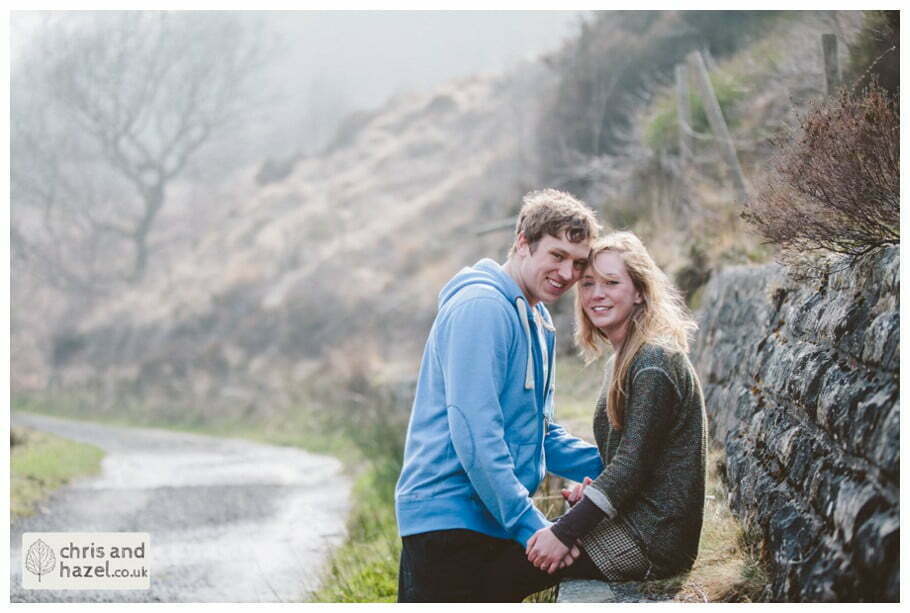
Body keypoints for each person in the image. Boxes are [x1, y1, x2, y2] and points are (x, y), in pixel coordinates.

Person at [394, 189, 605, 602]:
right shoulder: (482, 308)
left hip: (492, 518)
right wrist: (533, 525)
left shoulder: (538, 318)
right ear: (523, 243)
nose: (567, 273)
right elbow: (476, 436)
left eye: (578, 263)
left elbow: (539, 434)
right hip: (448, 524)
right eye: (557, 255)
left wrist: (617, 465)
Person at [515, 230, 708, 598]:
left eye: (611, 282)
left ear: (639, 291)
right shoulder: (625, 358)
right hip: (631, 521)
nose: (596, 294)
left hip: (652, 539)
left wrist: (565, 532)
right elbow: (631, 461)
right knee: (511, 551)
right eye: (587, 284)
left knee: (504, 568)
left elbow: (631, 467)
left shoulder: (654, 363)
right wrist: (588, 500)